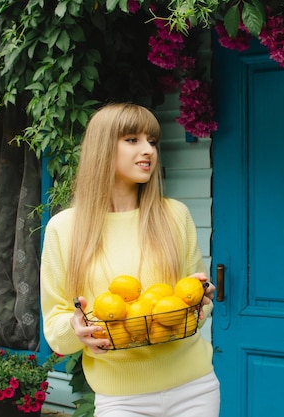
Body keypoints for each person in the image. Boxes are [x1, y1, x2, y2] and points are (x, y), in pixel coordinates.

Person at [40, 102, 220, 417]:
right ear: (103, 148)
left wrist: (202, 300)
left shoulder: (175, 215)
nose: (148, 149)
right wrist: (75, 329)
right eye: (132, 140)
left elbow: (195, 304)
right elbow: (55, 322)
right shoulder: (64, 229)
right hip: (120, 398)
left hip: (195, 388)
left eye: (152, 140)